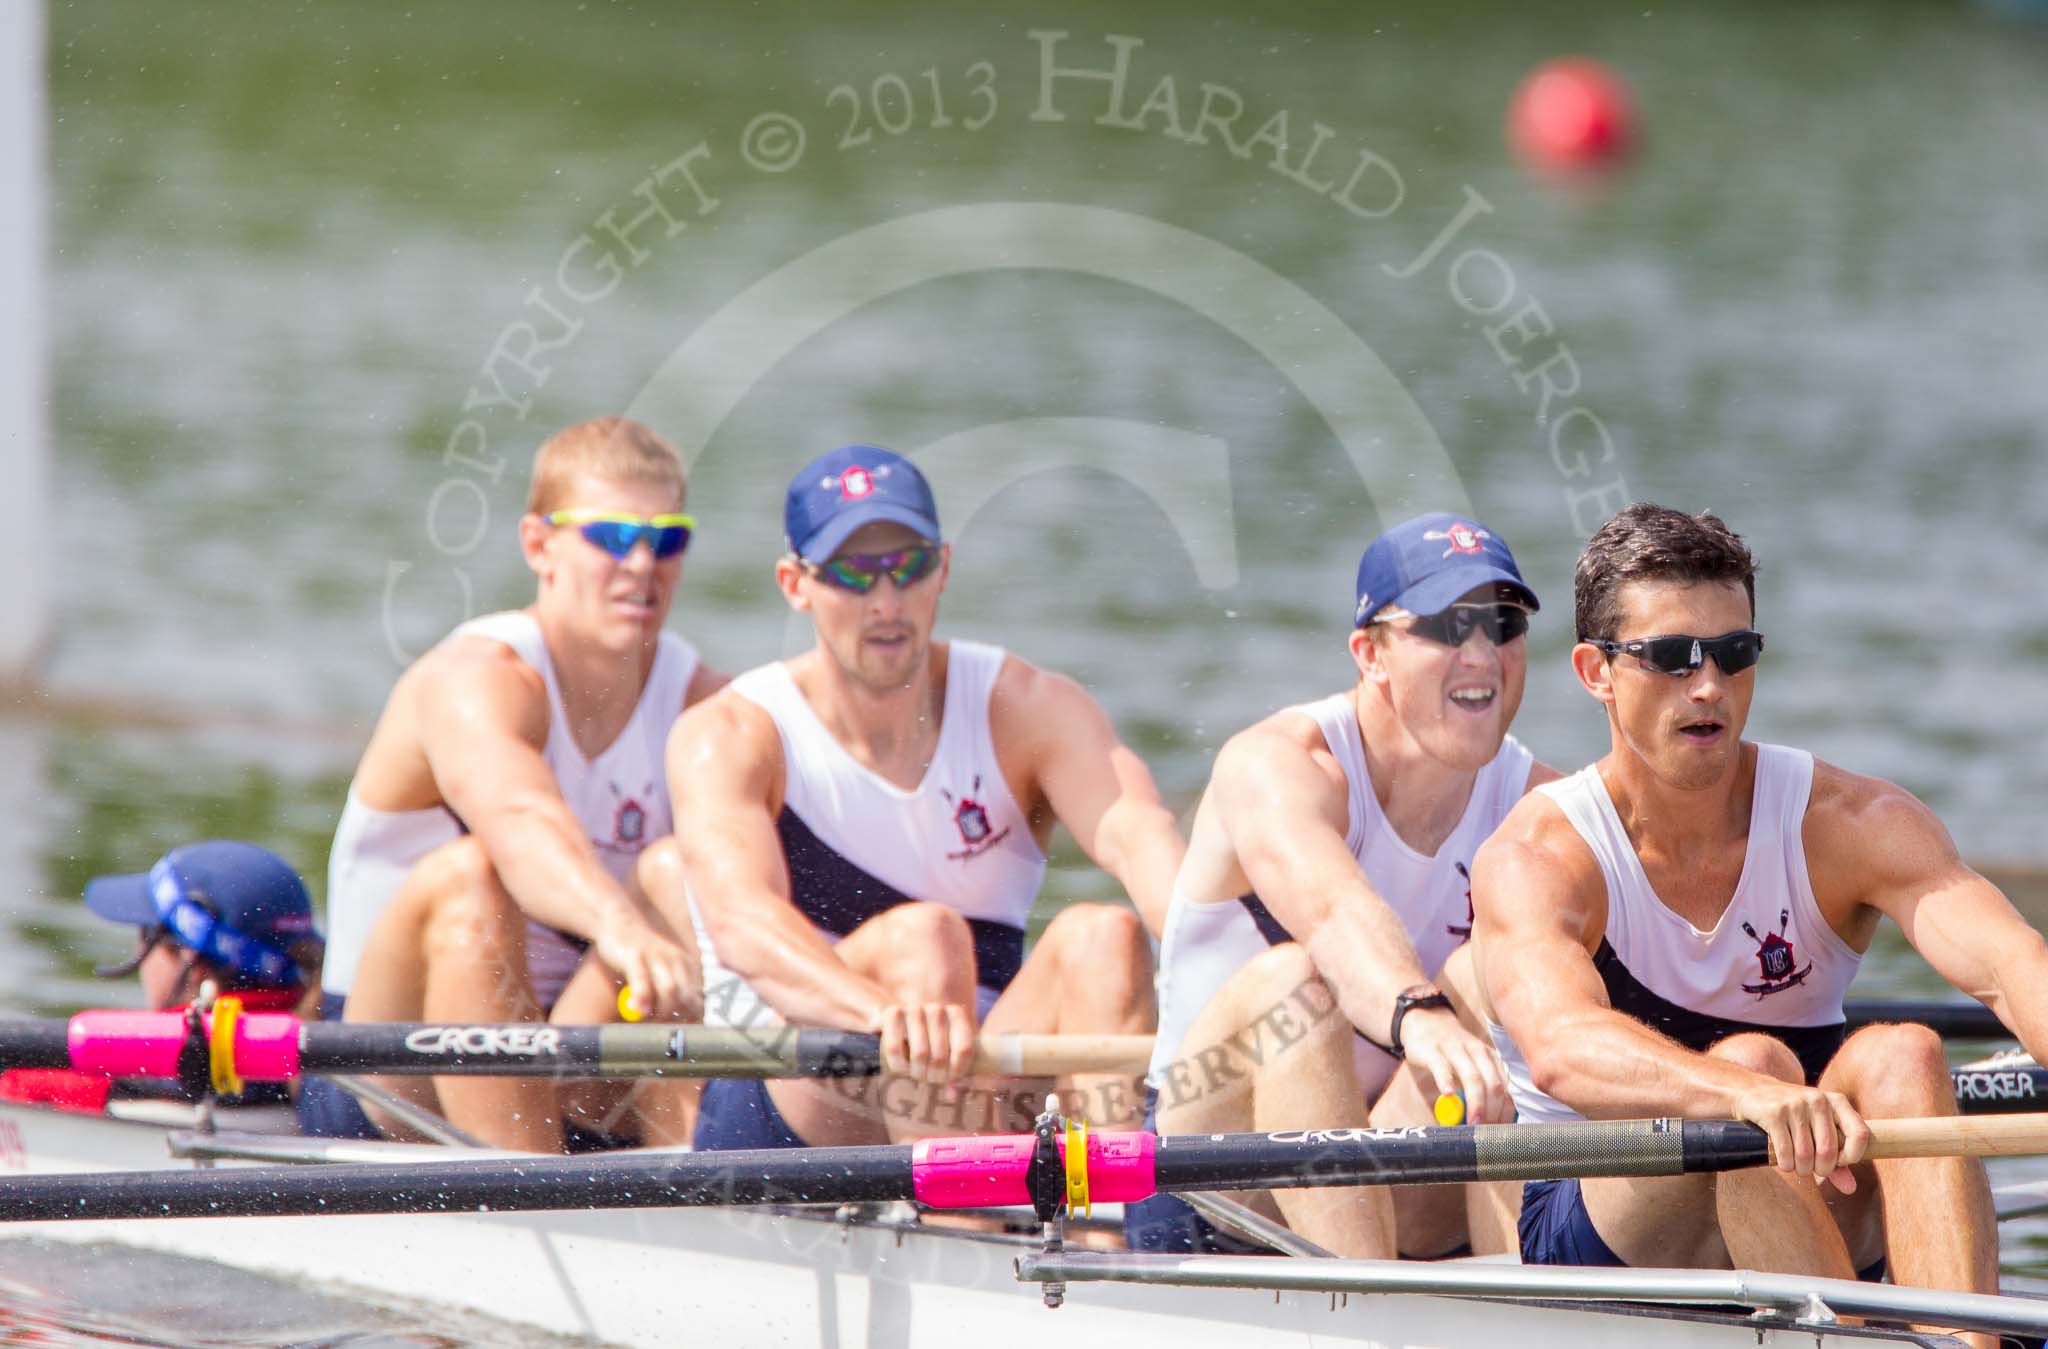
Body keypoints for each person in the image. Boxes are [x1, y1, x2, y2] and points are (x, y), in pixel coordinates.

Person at [1475, 503, 2048, 1334]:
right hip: (1605, 1226)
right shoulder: (1542, 855)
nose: (1708, 685)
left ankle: (1962, 1337)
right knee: (1754, 1066)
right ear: (1596, 671)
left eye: (1735, 653)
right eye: (1671, 657)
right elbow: (1562, 1049)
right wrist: (1744, 1090)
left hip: (1812, 1196)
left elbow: (2011, 965)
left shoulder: (1851, 820)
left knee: (1904, 1053)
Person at [669, 444, 1180, 1151]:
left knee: (1107, 937)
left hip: (980, 1076)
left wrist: (1227, 954)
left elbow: (1142, 837)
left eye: (907, 566)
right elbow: (741, 924)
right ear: (795, 583)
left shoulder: (1029, 707)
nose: (885, 602)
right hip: (791, 1092)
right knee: (925, 939)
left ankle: (1104, 1241)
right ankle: (965, 1220)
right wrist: (885, 1013)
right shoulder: (730, 732)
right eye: (851, 573)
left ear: (943, 567)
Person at [1131, 511, 1559, 1260]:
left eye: (1502, 622)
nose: (1483, 655)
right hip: (1212, 1184)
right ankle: (1368, 1307)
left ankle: (1519, 1302)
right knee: (1295, 984)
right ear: (1371, 654)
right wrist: (1419, 1014)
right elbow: (1333, 912)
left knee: (1501, 972)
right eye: (1448, 626)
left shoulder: (1538, 807)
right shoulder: (1276, 763)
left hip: (1387, 1159)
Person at [308, 416, 725, 1153]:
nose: (642, 564)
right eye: (613, 536)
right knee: (472, 876)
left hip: (565, 1043)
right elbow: (520, 817)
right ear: (540, 545)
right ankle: (527, 1194)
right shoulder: (475, 680)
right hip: (384, 1067)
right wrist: (622, 929)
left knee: (683, 873)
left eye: (667, 540)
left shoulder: (702, 704)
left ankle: (712, 1194)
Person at [0, 841, 321, 1117]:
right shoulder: (326, 1069)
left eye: (145, 932)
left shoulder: (93, 1078)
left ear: (192, 962)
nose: (137, 946)